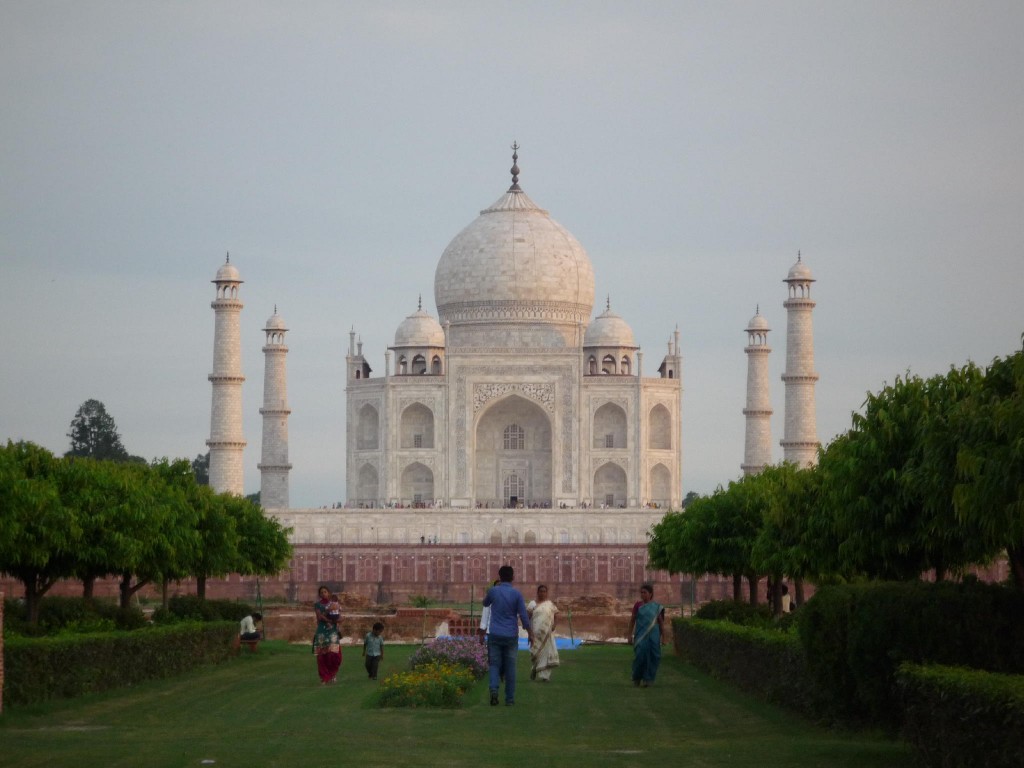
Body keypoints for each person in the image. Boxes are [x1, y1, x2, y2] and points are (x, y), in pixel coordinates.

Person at [482, 565, 532, 706]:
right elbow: (523, 616)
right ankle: (509, 699)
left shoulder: (493, 591)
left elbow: (485, 603)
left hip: (495, 634)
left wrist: (490, 596)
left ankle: (493, 689)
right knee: (510, 667)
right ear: (512, 577)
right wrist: (530, 633)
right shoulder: (517, 594)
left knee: (494, 665)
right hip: (510, 635)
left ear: (499, 577)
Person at [627, 583, 665, 687]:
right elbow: (632, 620)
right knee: (640, 656)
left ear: (650, 594)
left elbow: (661, 623)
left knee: (653, 657)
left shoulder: (656, 607)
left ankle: (648, 679)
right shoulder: (638, 605)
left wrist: (663, 638)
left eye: (645, 592)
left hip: (653, 636)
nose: (642, 594)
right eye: (641, 592)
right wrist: (629, 635)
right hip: (640, 636)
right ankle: (637, 677)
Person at [527, 585, 559, 682]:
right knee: (536, 653)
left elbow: (556, 614)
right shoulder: (532, 604)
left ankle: (545, 677)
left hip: (547, 634)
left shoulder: (550, 604)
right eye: (540, 591)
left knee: (547, 653)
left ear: (547, 593)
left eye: (544, 591)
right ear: (537, 592)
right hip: (535, 633)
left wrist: (554, 626)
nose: (542, 593)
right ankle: (534, 669)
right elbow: (527, 618)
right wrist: (529, 632)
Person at [312, 585, 342, 684]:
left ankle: (333, 674)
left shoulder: (334, 604)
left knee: (333, 655)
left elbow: (339, 617)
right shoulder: (317, 605)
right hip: (322, 632)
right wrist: (328, 615)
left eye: (325, 592)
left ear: (328, 593)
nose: (323, 594)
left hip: (332, 631)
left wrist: (338, 620)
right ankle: (324, 677)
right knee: (322, 656)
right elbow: (319, 617)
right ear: (319, 595)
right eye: (321, 592)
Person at [478, 579, 499, 645]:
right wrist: (481, 635)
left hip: (507, 633)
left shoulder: (510, 598)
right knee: (493, 654)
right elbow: (485, 616)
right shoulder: (490, 599)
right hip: (492, 632)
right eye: (497, 586)